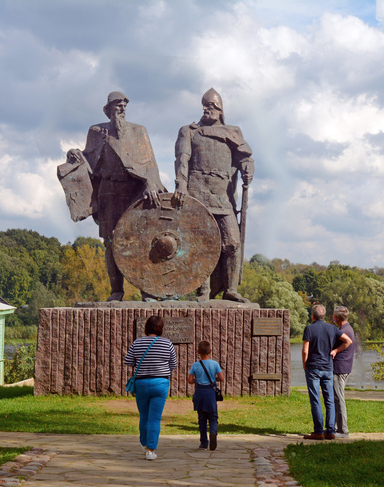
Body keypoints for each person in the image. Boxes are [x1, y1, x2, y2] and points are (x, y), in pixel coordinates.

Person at [67, 91, 165, 301]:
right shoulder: (96, 131)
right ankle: (116, 291)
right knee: (111, 242)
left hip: (134, 192)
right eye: (116, 105)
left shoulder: (139, 131)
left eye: (124, 105)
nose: (121, 109)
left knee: (141, 240)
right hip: (109, 191)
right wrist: (73, 153)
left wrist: (151, 183)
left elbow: (150, 164)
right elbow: (89, 157)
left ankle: (146, 290)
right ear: (107, 109)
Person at [174, 88, 254, 303]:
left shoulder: (233, 132)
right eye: (205, 105)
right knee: (202, 243)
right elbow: (182, 159)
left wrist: (248, 168)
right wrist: (181, 185)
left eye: (211, 106)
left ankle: (231, 289)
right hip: (197, 192)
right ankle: (203, 290)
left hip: (222, 195)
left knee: (232, 243)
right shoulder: (189, 131)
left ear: (220, 110)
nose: (206, 109)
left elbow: (244, 158)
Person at [124, 315, 177, 460]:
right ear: (161, 328)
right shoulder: (167, 343)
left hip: (141, 383)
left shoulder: (137, 342)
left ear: (146, 327)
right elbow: (173, 364)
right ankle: (151, 450)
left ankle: (144, 443)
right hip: (160, 383)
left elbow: (128, 361)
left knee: (144, 416)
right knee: (155, 418)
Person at [302, 304, 353, 440]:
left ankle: (318, 431)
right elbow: (348, 341)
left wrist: (305, 365)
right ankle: (330, 431)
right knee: (329, 400)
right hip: (328, 369)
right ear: (324, 316)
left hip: (313, 368)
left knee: (315, 400)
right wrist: (336, 351)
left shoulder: (309, 328)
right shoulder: (332, 328)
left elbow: (305, 350)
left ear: (313, 316)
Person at [188, 340, 224, 450]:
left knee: (202, 419)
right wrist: (214, 379)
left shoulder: (195, 365)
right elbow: (221, 378)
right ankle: (213, 432)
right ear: (210, 351)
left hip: (200, 392)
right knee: (213, 417)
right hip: (210, 393)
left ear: (198, 351)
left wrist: (197, 380)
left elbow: (190, 380)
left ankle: (203, 442)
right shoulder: (215, 364)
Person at [332, 306, 356, 438]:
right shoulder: (346, 328)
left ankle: (343, 430)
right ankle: (336, 428)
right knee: (336, 398)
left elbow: (348, 342)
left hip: (340, 369)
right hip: (344, 368)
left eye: (333, 316)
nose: (332, 318)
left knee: (338, 398)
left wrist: (335, 351)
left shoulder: (345, 331)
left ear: (337, 318)